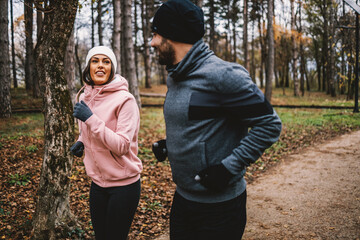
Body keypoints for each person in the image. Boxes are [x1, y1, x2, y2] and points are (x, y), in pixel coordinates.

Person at [150, 0, 282, 239]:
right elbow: (200, 122)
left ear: (174, 35)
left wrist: (228, 168)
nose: (152, 42)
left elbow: (269, 124)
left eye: (156, 34)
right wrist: (172, 144)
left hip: (220, 210)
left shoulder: (223, 75)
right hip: (183, 200)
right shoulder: (176, 77)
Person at [70, 46, 142, 240]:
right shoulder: (85, 96)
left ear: (112, 68)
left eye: (106, 61)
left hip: (124, 185)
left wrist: (91, 118)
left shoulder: (125, 100)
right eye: (95, 61)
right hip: (97, 184)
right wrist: (81, 142)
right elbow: (88, 132)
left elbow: (121, 145)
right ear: (88, 67)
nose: (100, 65)